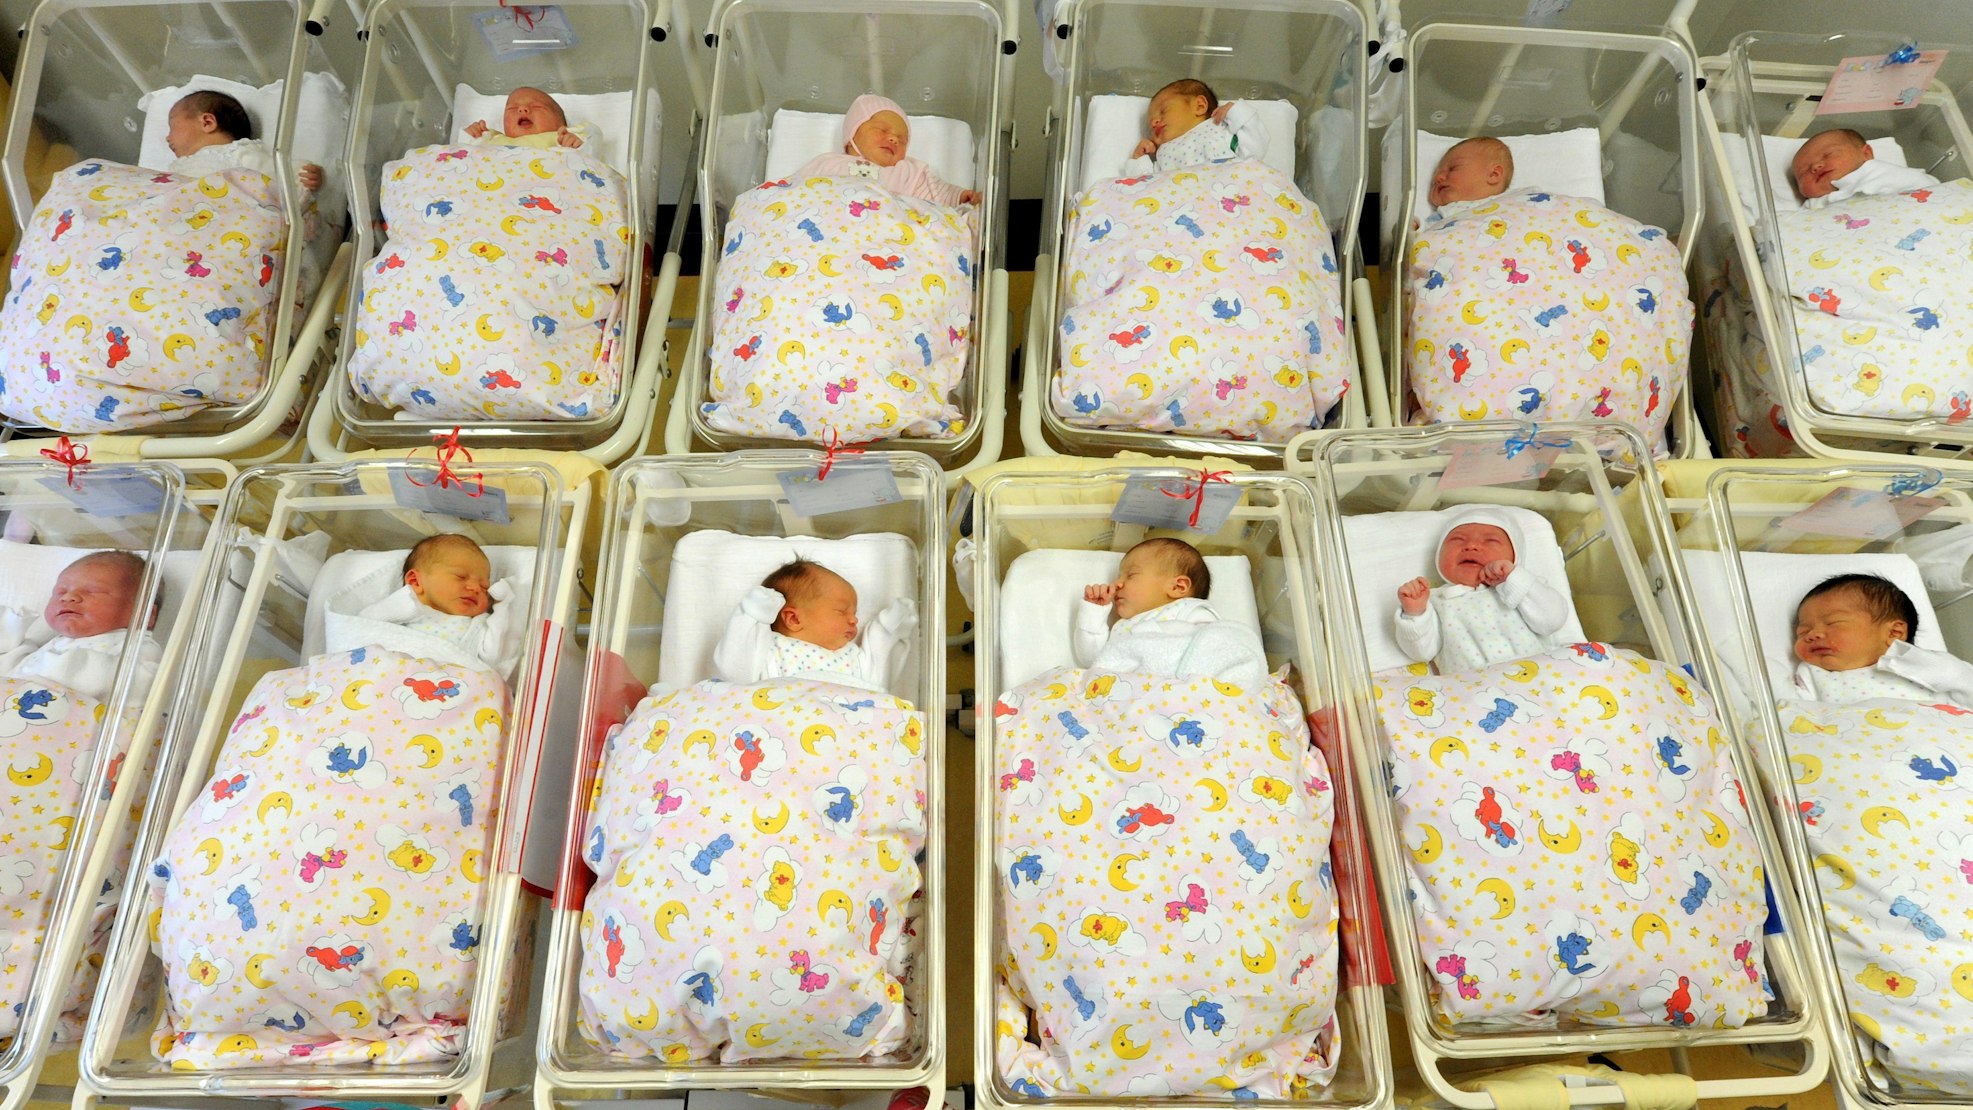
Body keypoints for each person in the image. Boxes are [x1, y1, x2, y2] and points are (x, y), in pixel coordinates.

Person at [1395, 509, 1571, 673]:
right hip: (1474, 692)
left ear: (1515, 557)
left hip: (1538, 681)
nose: (1471, 546)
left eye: (1490, 541)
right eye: (1458, 540)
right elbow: (1421, 653)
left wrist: (1515, 577)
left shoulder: (1523, 588)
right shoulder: (1434, 600)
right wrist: (1415, 613)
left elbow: (1553, 621)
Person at [1075, 537, 1268, 684]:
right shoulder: (1123, 628)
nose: (1116, 584)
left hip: (1185, 690)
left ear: (1178, 587)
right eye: (1119, 576)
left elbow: (1216, 645)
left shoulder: (1190, 610)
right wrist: (1094, 612)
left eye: (1131, 575)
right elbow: (1094, 661)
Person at [713, 557, 916, 691]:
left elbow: (879, 680)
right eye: (841, 611)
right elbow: (734, 670)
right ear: (794, 619)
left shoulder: (851, 657)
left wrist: (889, 630)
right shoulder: (769, 650)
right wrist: (753, 613)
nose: (854, 619)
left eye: (854, 613)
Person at [347, 533, 526, 677]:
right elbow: (362, 630)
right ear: (415, 581)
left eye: (484, 587)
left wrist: (504, 604)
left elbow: (497, 655)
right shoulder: (399, 611)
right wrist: (405, 599)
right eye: (460, 577)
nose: (475, 588)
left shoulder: (476, 625)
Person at [0, 550, 162, 704]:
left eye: (93, 591)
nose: (68, 597)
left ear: (144, 614)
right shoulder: (57, 643)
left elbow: (145, 685)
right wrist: (13, 647)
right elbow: (17, 673)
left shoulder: (135, 643)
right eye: (60, 592)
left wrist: (68, 666)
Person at [1789, 573, 1973, 705]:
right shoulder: (1813, 675)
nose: (1813, 634)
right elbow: (1789, 714)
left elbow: (1966, 684)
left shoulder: (1923, 668)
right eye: (1803, 632)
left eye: (1833, 623)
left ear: (1894, 633)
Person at [791, 94, 980, 207]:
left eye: (902, 140)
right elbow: (791, 192)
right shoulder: (828, 163)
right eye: (881, 130)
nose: (893, 139)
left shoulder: (907, 172)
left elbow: (937, 192)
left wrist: (960, 196)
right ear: (852, 135)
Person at [164, 89, 323, 192]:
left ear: (207, 122)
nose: (167, 137)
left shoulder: (236, 153)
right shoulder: (177, 168)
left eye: (172, 127)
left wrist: (301, 172)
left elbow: (274, 170)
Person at [1119, 78, 1267, 178]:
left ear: (1200, 106)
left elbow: (1255, 149)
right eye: (1151, 122)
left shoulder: (1220, 128)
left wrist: (1236, 112)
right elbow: (1147, 187)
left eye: (1163, 111)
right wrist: (1139, 160)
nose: (1154, 123)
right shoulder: (1164, 154)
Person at [1789, 128, 1939, 208]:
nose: (1816, 167)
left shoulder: (1882, 172)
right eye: (1803, 173)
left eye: (1828, 154)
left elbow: (1929, 190)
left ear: (1866, 153)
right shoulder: (1815, 205)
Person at [464, 86, 586, 150]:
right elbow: (464, 157)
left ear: (561, 125)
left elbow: (589, 158)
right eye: (512, 108)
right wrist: (471, 136)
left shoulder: (561, 138)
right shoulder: (491, 139)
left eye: (536, 106)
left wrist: (576, 145)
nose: (522, 109)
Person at [1426, 136, 1514, 209]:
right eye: (1434, 178)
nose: (1438, 177)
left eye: (1453, 168)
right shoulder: (1444, 216)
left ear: (1493, 175)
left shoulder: (1517, 200)